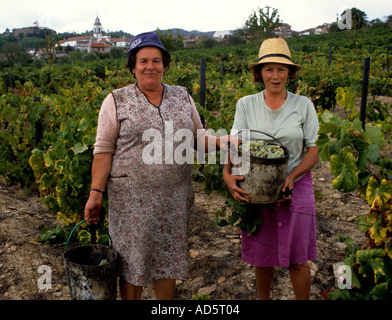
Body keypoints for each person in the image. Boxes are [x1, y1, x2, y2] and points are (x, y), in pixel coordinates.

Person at [84, 32, 235, 300]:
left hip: (173, 201)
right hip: (132, 204)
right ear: (132, 66)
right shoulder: (116, 101)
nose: (150, 66)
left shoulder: (182, 96)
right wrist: (96, 193)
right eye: (143, 61)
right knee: (132, 266)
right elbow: (103, 151)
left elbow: (198, 139)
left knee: (168, 262)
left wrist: (222, 141)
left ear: (165, 65)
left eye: (156, 60)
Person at [223, 38, 319, 300]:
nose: (275, 76)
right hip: (257, 186)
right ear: (259, 73)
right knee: (262, 257)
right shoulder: (246, 104)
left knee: (297, 259)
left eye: (281, 69)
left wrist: (292, 176)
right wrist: (227, 174)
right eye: (269, 69)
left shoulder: (303, 105)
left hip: (295, 186)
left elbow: (312, 149)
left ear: (290, 72)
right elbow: (236, 143)